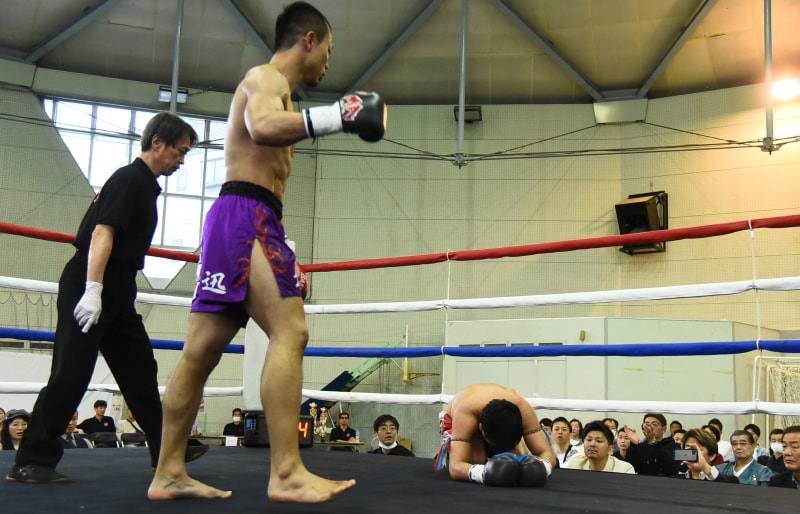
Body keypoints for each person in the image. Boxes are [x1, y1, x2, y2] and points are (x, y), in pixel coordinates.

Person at [148, 1, 385, 503]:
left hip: (244, 217)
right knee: (290, 331)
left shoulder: (281, 93)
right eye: (328, 50)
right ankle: (287, 473)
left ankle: (167, 472)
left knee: (200, 352)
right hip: (246, 216)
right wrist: (339, 115)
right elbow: (261, 127)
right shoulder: (266, 79)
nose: (328, 62)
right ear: (308, 40)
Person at [7, 111, 206, 484]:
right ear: (157, 142)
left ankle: (167, 449)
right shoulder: (129, 179)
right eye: (179, 151)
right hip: (92, 281)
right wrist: (93, 289)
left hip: (118, 289)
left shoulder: (144, 185)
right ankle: (30, 461)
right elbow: (102, 233)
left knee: (140, 369)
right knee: (71, 374)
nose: (181, 160)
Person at [435, 383, 556, 486]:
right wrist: (485, 473)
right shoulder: (465, 412)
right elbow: (455, 467)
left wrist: (543, 468)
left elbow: (546, 451)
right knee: (477, 460)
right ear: (481, 429)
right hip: (454, 419)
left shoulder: (522, 408)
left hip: (490, 420)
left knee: (516, 459)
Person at [568, 421, 635, 474]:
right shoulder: (575, 466)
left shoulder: (624, 470)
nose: (592, 444)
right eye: (589, 440)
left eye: (599, 441)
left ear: (610, 449)